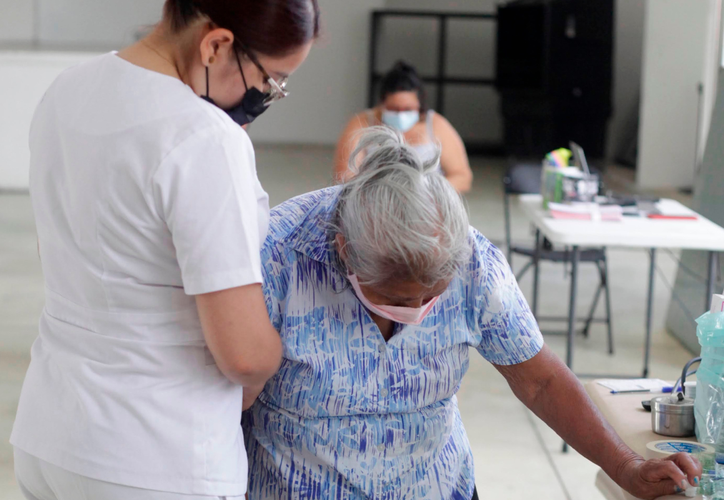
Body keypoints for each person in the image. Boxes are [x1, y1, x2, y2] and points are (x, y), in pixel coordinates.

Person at [243, 127, 701, 500]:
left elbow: (539, 380)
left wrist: (626, 466)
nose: (418, 312)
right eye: (400, 299)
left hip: (436, 486)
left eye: (433, 296)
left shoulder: (473, 260)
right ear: (346, 252)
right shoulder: (279, 255)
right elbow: (225, 399)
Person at [10, 1, 319, 499]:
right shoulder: (204, 137)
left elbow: (68, 260)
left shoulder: (68, 87)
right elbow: (242, 354)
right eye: (271, 80)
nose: (264, 96)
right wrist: (271, 359)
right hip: (155, 456)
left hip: (50, 436)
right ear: (217, 44)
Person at [333, 61, 473, 193]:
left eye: (408, 109)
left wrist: (427, 194)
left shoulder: (437, 125)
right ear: (381, 103)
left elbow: (462, 177)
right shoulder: (361, 123)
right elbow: (345, 177)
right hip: (375, 204)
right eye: (393, 109)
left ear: (420, 104)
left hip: (426, 203)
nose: (401, 114)